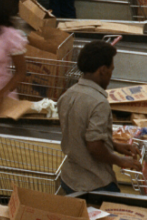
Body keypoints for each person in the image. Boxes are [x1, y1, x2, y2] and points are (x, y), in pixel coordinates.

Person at [58, 41, 140, 194]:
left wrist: (114, 145)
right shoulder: (99, 103)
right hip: (94, 184)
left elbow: (79, 134)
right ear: (102, 70)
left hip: (69, 179)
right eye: (111, 70)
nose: (111, 75)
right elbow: (94, 147)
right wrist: (120, 160)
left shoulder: (67, 95)